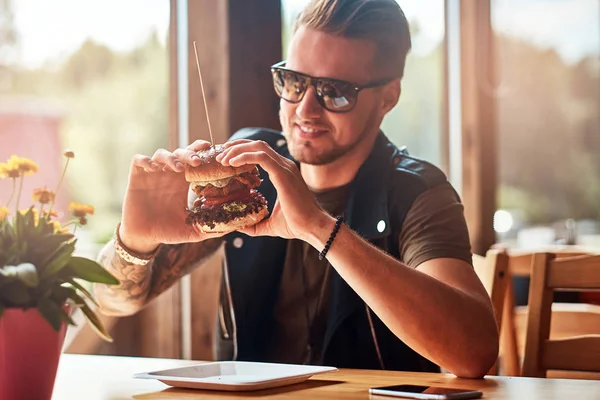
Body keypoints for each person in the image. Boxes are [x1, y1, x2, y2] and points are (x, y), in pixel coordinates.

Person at [93, 0, 498, 378]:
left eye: (335, 91)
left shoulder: (418, 192)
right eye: (293, 81)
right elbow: (112, 302)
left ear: (387, 98)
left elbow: (474, 354)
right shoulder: (247, 171)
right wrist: (135, 242)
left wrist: (320, 228)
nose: (304, 110)